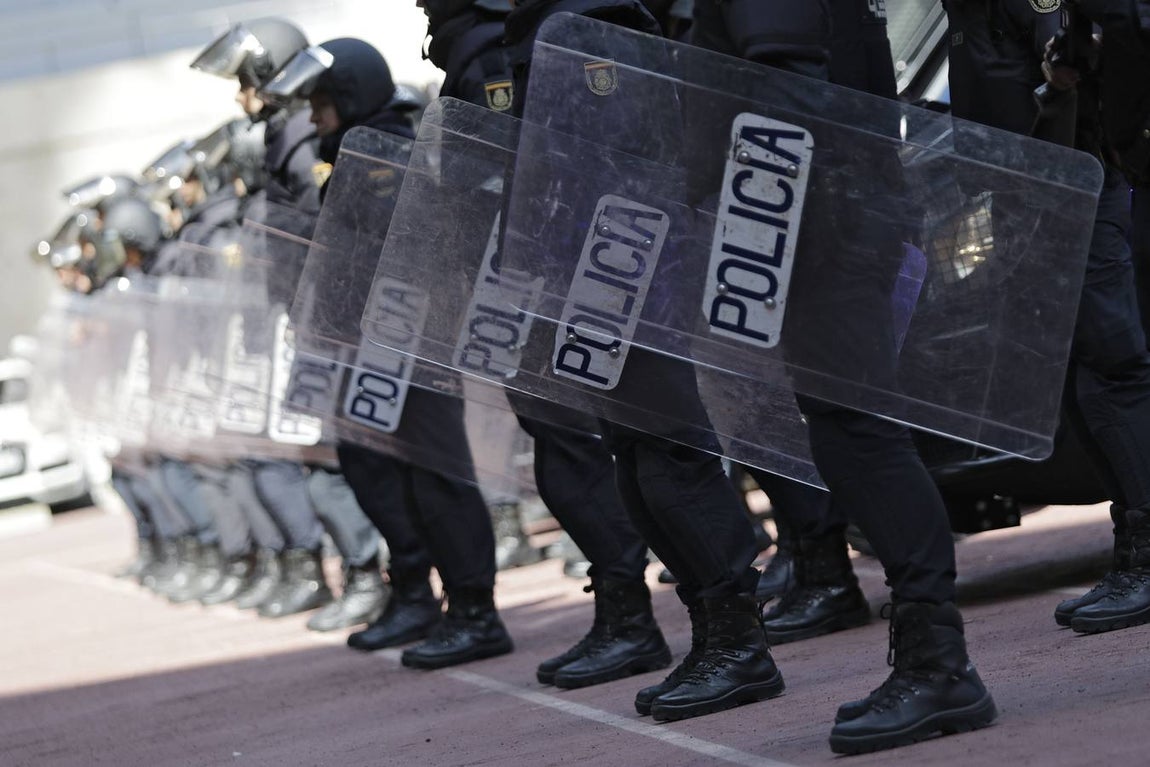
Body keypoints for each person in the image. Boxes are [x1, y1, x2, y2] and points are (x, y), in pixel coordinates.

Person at [419, 0, 674, 689]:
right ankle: (632, 614)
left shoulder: (485, 51)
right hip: (549, 268)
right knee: (579, 445)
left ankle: (634, 619)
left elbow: (504, 171)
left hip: (540, 271)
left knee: (575, 449)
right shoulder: (495, 40)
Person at [262, 36, 515, 668]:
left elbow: (415, 251)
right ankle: (415, 594)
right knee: (375, 471)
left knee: (436, 472)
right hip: (360, 346)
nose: (313, 114)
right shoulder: (343, 151)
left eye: (320, 99)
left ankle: (476, 610)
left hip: (410, 343)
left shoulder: (390, 152)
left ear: (347, 94)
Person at [949, 0, 1150, 634]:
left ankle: (1145, 558)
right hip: (1031, 182)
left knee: (1109, 367)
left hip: (1068, 176)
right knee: (1081, 369)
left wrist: (1062, 122)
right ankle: (1136, 554)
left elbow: (1071, 48)